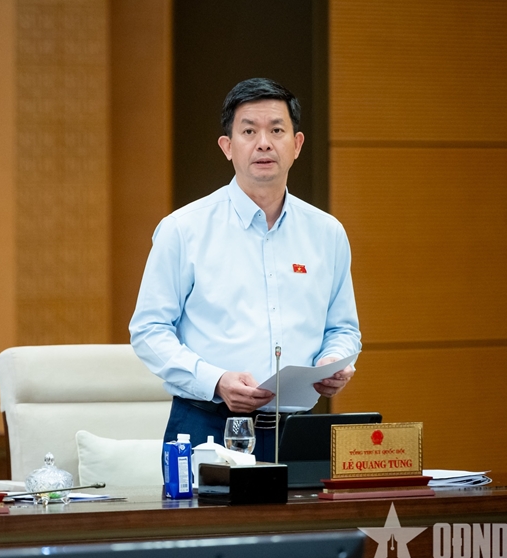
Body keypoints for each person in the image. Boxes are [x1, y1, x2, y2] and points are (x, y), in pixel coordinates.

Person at [129, 78, 361, 462]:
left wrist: (331, 362)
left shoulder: (327, 233)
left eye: (276, 130)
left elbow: (343, 329)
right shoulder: (183, 229)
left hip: (297, 431)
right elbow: (149, 330)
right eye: (249, 131)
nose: (264, 143)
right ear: (227, 146)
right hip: (207, 423)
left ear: (297, 144)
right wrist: (216, 380)